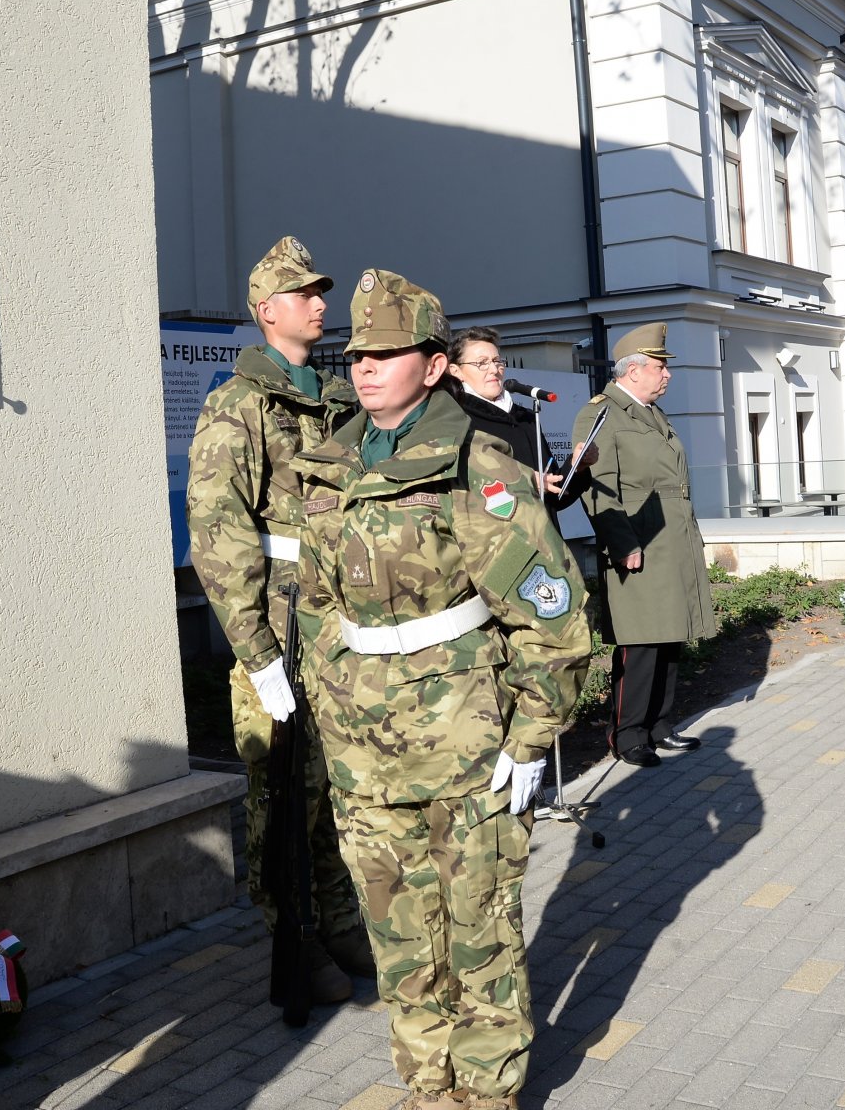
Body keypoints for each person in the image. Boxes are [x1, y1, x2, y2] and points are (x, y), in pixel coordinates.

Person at [293, 269, 588, 1110]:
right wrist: (326, 703)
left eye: (387, 352)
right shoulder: (332, 459)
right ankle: (428, 1090)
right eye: (357, 352)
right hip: (364, 758)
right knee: (400, 940)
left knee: (480, 935)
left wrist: (532, 738)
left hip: (467, 751)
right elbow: (315, 605)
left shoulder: (477, 462)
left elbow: (552, 617)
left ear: (432, 363)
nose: (365, 366)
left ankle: (488, 1094)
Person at [185, 235, 370, 1004]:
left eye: (320, 291)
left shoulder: (337, 401)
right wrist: (257, 653)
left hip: (338, 625)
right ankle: (289, 933)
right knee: (280, 791)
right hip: (281, 629)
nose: (321, 303)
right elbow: (217, 531)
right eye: (305, 294)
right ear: (267, 311)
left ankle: (336, 918)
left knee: (331, 785)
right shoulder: (240, 404)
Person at [573, 323, 715, 768]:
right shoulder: (600, 414)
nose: (667, 375)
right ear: (632, 371)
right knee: (640, 642)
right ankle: (627, 733)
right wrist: (622, 543)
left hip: (671, 536)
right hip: (637, 536)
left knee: (668, 634)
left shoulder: (651, 412)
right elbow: (597, 488)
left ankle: (659, 724)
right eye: (659, 367)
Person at [445, 326, 595, 506]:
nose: (494, 369)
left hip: (542, 531)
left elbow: (555, 498)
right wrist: (528, 482)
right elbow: (463, 493)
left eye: (497, 361)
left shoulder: (525, 418)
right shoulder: (455, 419)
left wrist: (576, 466)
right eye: (481, 363)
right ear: (456, 371)